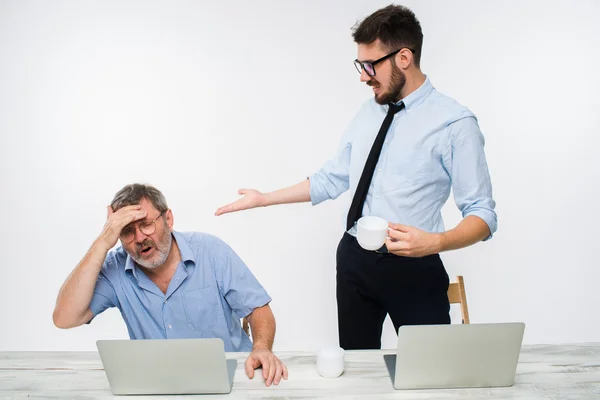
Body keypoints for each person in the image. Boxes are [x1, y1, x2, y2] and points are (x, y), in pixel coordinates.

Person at [215, 4, 497, 350]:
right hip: (354, 259)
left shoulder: (455, 124)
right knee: (357, 367)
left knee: (430, 368)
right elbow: (331, 178)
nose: (363, 76)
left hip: (413, 265)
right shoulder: (369, 110)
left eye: (370, 65)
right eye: (360, 65)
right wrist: (264, 198)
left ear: (404, 58)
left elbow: (483, 214)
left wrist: (435, 243)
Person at [53, 183, 288, 386]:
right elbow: (64, 318)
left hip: (233, 380)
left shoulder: (212, 251)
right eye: (126, 231)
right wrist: (103, 241)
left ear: (168, 219)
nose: (139, 238)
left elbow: (258, 310)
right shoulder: (116, 268)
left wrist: (261, 348)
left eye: (146, 224)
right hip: (159, 386)